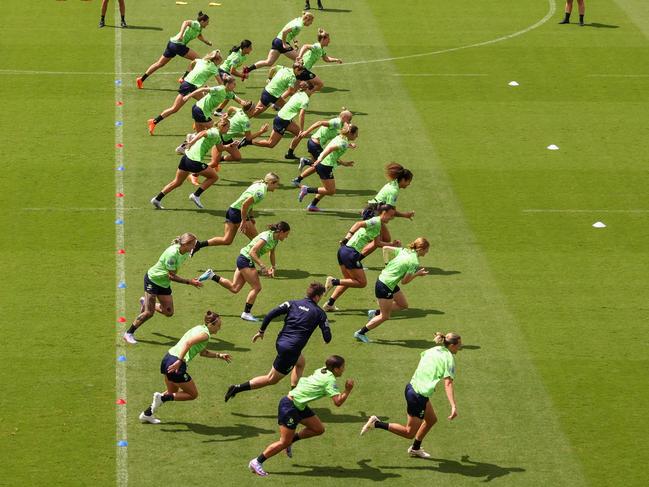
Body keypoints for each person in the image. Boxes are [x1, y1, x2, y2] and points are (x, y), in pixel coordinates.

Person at [248, 355, 354, 477]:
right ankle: (257, 461)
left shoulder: (322, 369)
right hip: (290, 407)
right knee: (283, 442)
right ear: (335, 369)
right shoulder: (330, 381)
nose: (344, 369)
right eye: (342, 367)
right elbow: (338, 402)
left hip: (299, 405)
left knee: (318, 429)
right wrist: (348, 390)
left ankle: (291, 441)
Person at [360, 332, 461, 458]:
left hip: (412, 387)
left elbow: (424, 360)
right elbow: (448, 384)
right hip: (418, 395)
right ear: (452, 346)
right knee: (409, 432)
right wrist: (453, 406)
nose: (460, 348)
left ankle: (415, 448)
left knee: (431, 420)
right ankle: (376, 423)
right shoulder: (449, 359)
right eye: (459, 345)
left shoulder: (433, 349)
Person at [223, 282, 331, 401]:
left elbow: (270, 314)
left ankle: (294, 393)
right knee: (271, 379)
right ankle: (236, 388)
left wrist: (261, 331)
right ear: (317, 297)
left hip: (281, 342)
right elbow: (327, 336)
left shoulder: (292, 303)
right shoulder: (320, 313)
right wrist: (326, 338)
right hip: (291, 350)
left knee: (300, 363)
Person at [138, 310, 233, 424]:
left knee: (172, 391)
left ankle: (147, 414)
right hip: (176, 363)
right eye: (218, 326)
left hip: (167, 358)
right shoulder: (205, 334)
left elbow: (203, 352)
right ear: (211, 324)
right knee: (192, 394)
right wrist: (179, 361)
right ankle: (162, 398)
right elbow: (188, 343)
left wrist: (219, 355)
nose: (219, 328)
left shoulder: (199, 328)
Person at [197, 222, 291, 321]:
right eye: (286, 234)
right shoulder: (266, 237)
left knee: (234, 288)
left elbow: (272, 253)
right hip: (246, 259)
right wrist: (262, 266)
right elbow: (252, 252)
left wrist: (273, 267)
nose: (287, 237)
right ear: (281, 232)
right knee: (257, 287)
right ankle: (246, 313)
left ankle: (211, 275)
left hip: (244, 259)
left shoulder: (275, 240)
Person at [123, 233, 203, 344]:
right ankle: (128, 333)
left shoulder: (186, 250)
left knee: (169, 312)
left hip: (164, 283)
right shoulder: (172, 254)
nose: (196, 245)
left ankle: (144, 302)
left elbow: (197, 247)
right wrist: (190, 282)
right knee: (149, 313)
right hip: (153, 280)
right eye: (193, 243)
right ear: (186, 244)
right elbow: (171, 276)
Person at [323, 205, 399, 312]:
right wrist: (347, 237)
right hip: (351, 252)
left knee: (348, 280)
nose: (392, 218)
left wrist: (392, 244)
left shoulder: (377, 226)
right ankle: (333, 281)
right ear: (384, 212)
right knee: (362, 283)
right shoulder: (375, 221)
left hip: (343, 251)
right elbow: (358, 224)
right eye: (390, 215)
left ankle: (329, 304)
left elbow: (377, 243)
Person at [353, 237, 430, 343]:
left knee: (403, 305)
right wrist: (417, 274)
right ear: (421, 249)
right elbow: (404, 281)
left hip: (387, 282)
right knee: (385, 316)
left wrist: (386, 263)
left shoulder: (404, 250)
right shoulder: (414, 262)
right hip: (385, 286)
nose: (427, 252)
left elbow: (385, 248)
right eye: (426, 250)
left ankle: (374, 312)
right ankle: (360, 333)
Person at [150, 116, 230, 210]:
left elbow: (220, 148)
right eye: (228, 127)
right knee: (214, 177)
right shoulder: (214, 132)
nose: (229, 129)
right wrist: (191, 143)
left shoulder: (217, 135)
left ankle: (157, 199)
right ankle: (196, 195)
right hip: (194, 160)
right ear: (223, 126)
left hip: (186, 158)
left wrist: (230, 145)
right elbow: (202, 133)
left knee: (177, 182)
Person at [191, 172, 281, 252]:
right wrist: (244, 221)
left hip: (231, 210)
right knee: (257, 242)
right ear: (271, 182)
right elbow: (244, 205)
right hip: (238, 213)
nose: (277, 187)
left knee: (227, 240)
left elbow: (249, 204)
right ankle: (248, 266)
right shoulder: (261, 192)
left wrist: (252, 217)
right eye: (277, 184)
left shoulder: (259, 185)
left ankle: (199, 245)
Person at [147, 50, 223, 135]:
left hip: (189, 84)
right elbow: (221, 84)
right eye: (220, 61)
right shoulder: (213, 68)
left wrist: (185, 75)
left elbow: (192, 63)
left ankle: (198, 122)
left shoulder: (201, 60)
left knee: (204, 103)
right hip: (189, 87)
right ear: (216, 60)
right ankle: (154, 121)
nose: (220, 63)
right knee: (175, 108)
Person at [136, 12, 212, 88]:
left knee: (160, 63)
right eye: (207, 22)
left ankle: (141, 80)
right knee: (198, 60)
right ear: (202, 21)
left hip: (172, 44)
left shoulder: (199, 28)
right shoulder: (196, 24)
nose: (208, 24)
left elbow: (199, 35)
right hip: (178, 45)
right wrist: (181, 34)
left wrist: (206, 41)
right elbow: (185, 22)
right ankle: (183, 78)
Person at [296, 124, 358, 212]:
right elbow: (330, 149)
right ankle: (306, 189)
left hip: (325, 164)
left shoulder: (341, 137)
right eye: (356, 134)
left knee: (326, 188)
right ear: (350, 134)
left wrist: (345, 161)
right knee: (331, 191)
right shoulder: (343, 142)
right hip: (325, 166)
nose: (357, 136)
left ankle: (312, 205)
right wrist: (320, 159)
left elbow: (338, 148)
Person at [360, 163, 415, 257]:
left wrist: (404, 215)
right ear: (402, 180)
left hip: (372, 212)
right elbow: (390, 210)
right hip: (372, 213)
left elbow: (390, 210)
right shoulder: (394, 191)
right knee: (377, 241)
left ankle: (356, 254)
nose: (409, 184)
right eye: (408, 181)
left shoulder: (393, 184)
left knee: (385, 239)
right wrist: (401, 215)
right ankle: (354, 257)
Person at [248, 81, 312, 155]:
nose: (312, 93)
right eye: (313, 91)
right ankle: (249, 142)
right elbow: (301, 115)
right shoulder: (305, 99)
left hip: (287, 119)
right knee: (270, 144)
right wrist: (301, 129)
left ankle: (290, 153)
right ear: (308, 89)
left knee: (299, 135)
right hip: (281, 120)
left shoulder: (298, 93)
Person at [290, 108, 353, 183]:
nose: (350, 122)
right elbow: (319, 122)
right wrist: (306, 132)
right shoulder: (336, 122)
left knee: (316, 166)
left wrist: (347, 145)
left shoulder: (341, 124)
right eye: (349, 119)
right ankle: (306, 162)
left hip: (314, 144)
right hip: (315, 145)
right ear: (344, 118)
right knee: (323, 164)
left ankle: (298, 179)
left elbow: (341, 137)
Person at [243, 12, 315, 75]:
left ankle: (248, 69)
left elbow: (291, 32)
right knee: (299, 60)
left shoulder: (298, 20)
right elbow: (285, 32)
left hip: (276, 40)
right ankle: (300, 81)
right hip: (281, 43)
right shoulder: (299, 25)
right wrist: (284, 44)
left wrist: (295, 42)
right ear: (307, 19)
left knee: (269, 62)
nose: (311, 24)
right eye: (311, 22)